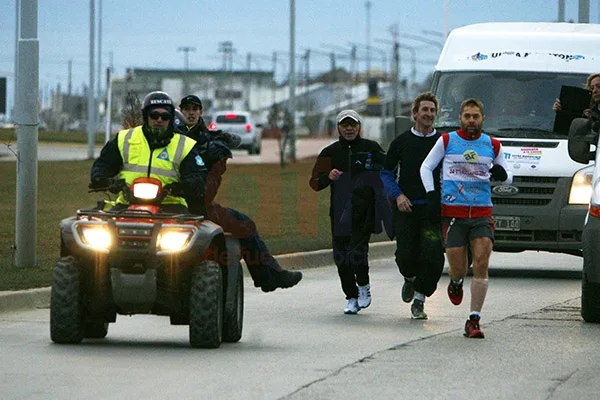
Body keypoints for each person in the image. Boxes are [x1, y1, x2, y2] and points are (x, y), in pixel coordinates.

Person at [177, 94, 303, 293]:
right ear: (180, 111)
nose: (191, 112)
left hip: (201, 202)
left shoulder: (209, 138)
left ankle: (270, 276)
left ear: (200, 112)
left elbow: (213, 173)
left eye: (195, 108)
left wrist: (220, 142)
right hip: (177, 204)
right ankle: (271, 275)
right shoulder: (173, 136)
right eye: (187, 109)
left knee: (245, 224)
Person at [420, 98, 512, 338]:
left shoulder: (492, 144)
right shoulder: (447, 140)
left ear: (483, 119)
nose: (471, 121)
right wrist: (431, 195)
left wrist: (502, 173)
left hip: (482, 213)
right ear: (460, 118)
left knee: (481, 263)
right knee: (458, 268)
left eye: (476, 117)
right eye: (467, 116)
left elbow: (508, 174)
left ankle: (474, 320)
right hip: (453, 214)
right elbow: (426, 167)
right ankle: (456, 282)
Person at [309, 109, 391, 315]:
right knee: (341, 257)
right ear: (338, 128)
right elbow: (314, 183)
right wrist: (328, 176)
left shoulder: (370, 148)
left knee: (357, 251)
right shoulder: (330, 152)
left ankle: (364, 286)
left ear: (359, 127)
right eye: (344, 125)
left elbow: (388, 171)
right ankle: (351, 297)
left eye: (352, 125)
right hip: (339, 212)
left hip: (365, 210)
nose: (348, 129)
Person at [380, 92, 445, 320]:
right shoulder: (401, 142)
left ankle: (419, 300)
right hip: (406, 209)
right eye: (424, 110)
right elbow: (386, 174)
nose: (428, 114)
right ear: (414, 113)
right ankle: (409, 279)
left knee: (432, 258)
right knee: (406, 257)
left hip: (432, 211)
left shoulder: (444, 142)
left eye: (432, 110)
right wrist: (397, 196)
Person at [90, 91, 207, 215]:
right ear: (146, 116)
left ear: (171, 118)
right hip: (127, 203)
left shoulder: (185, 145)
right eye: (154, 115)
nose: (159, 120)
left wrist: (181, 187)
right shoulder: (124, 139)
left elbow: (199, 177)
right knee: (102, 228)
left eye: (165, 116)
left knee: (189, 230)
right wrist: (105, 180)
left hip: (171, 206)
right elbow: (103, 164)